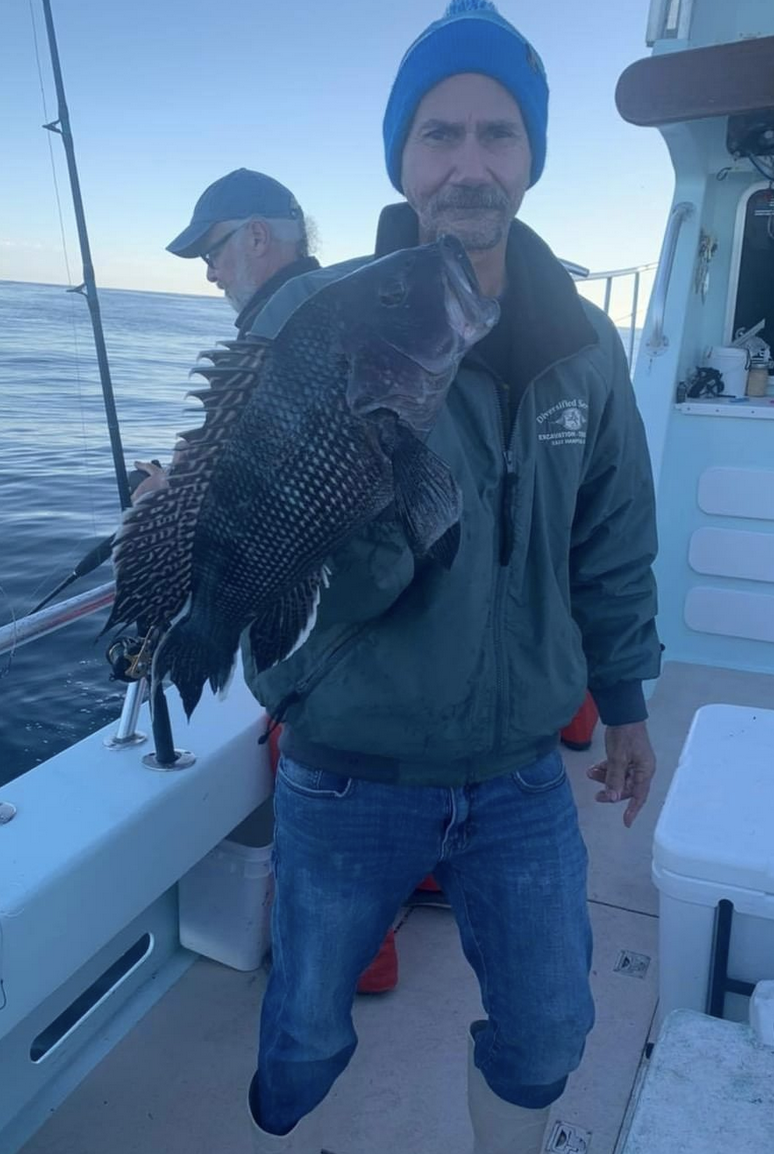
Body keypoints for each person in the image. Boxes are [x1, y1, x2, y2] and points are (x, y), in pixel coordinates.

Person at [241, 3, 661, 1151]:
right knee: (306, 1031)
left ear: (528, 158)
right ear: (402, 157)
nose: (469, 164)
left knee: (549, 1030)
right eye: (438, 135)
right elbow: (274, 557)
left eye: (496, 134)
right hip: (346, 768)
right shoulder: (318, 326)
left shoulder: (587, 341)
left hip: (521, 768)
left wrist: (623, 703)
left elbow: (612, 533)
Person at [132, 169, 319, 498]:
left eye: (212, 254)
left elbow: (281, 491)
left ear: (257, 237)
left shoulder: (278, 337)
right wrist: (197, 463)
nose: (210, 273)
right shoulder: (323, 309)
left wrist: (168, 492)